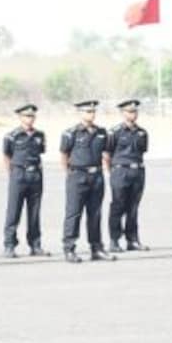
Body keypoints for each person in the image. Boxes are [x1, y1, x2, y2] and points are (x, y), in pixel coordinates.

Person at [59, 100, 115, 264]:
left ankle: (96, 248)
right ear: (80, 114)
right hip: (77, 176)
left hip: (96, 176)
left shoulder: (102, 132)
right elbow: (64, 155)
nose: (91, 114)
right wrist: (69, 174)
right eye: (87, 111)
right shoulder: (71, 133)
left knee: (95, 214)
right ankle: (69, 248)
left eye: (93, 111)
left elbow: (106, 153)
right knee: (73, 213)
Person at [1, 103, 49, 258]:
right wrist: (13, 174)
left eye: (32, 116)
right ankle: (9, 245)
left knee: (34, 212)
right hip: (19, 175)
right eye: (27, 116)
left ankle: (35, 245)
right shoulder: (12, 136)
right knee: (13, 211)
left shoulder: (39, 135)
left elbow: (40, 154)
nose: (30, 119)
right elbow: (7, 156)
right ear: (20, 117)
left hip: (35, 175)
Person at [104, 99, 150, 252]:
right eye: (129, 111)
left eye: (135, 111)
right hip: (120, 171)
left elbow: (141, 152)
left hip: (137, 171)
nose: (133, 114)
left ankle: (133, 240)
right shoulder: (114, 132)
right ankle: (114, 240)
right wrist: (113, 172)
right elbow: (107, 154)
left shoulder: (142, 133)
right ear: (123, 113)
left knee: (133, 207)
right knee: (118, 206)